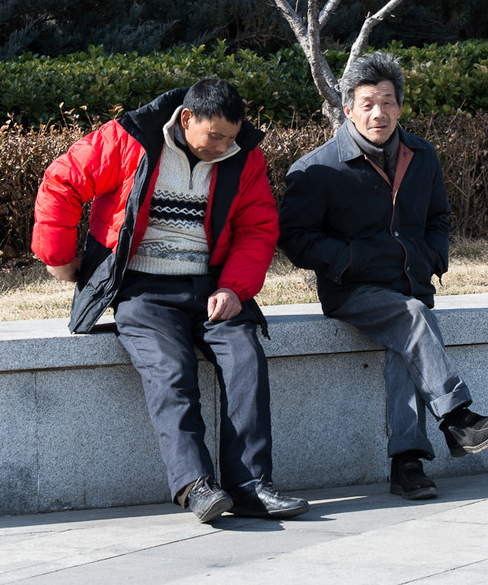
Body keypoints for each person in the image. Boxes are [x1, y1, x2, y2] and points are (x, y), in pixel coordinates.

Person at [32, 79, 308, 523]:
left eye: (231, 138)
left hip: (211, 287)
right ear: (186, 119)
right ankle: (195, 487)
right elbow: (61, 181)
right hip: (143, 290)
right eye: (214, 136)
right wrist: (59, 258)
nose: (222, 147)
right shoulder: (128, 138)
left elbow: (258, 227)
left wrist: (233, 289)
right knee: (170, 370)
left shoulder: (244, 156)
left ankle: (253, 486)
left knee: (245, 359)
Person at [278, 52, 488, 501]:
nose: (377, 113)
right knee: (413, 316)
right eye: (367, 103)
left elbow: (439, 217)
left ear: (400, 106)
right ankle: (458, 418)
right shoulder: (317, 169)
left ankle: (407, 465)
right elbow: (295, 239)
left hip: (410, 286)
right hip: (353, 291)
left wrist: (432, 257)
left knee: (409, 332)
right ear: (347, 108)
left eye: (387, 102)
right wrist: (348, 260)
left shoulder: (421, 155)